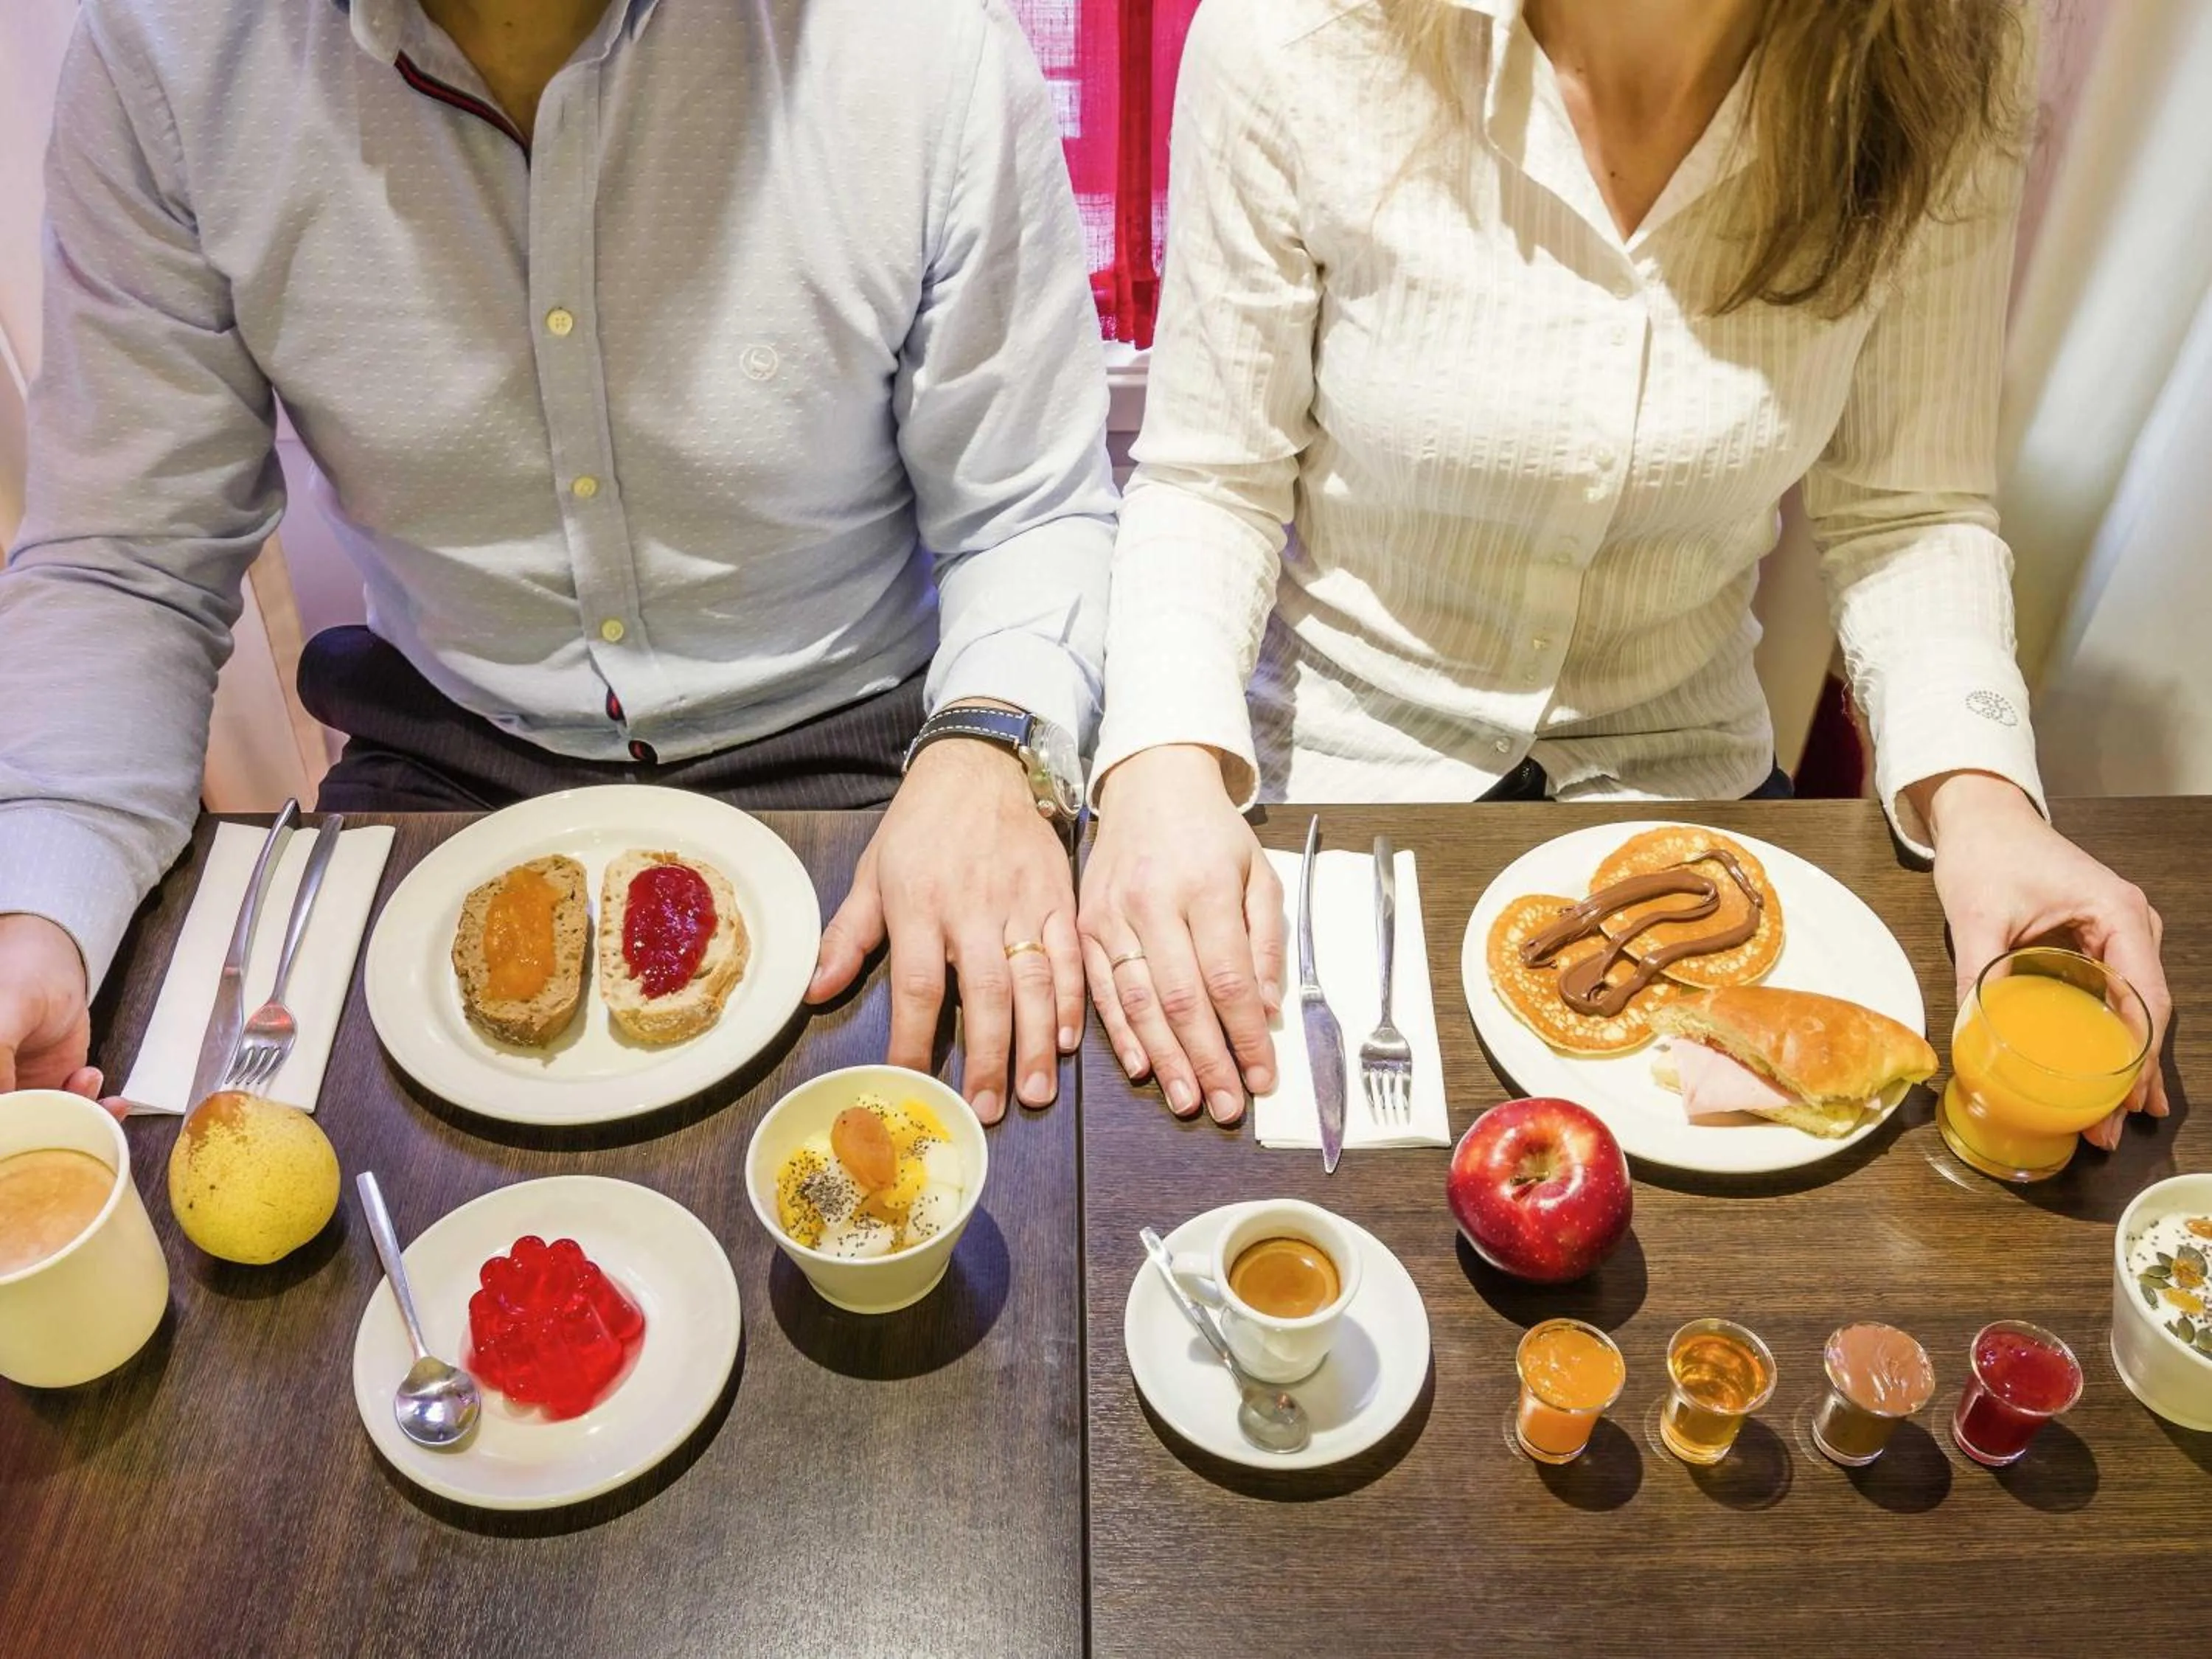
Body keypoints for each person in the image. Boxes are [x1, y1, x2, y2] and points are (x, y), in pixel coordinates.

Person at [0, 0, 1115, 1124]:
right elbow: (127, 562)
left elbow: (1029, 507)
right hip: (451, 757)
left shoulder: (913, 38)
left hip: (878, 754)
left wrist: (989, 739)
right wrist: (36, 908)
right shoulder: (166, 53)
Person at [1078, 0, 2171, 1146]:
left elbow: (1911, 508)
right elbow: (1213, 478)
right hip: (1347, 793)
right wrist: (1160, 772)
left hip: (1690, 795)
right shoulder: (1297, 35)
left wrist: (1987, 806)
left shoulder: (1941, 53)